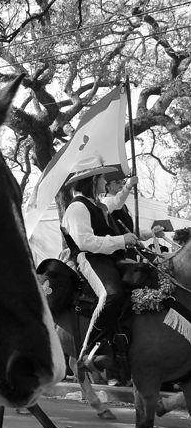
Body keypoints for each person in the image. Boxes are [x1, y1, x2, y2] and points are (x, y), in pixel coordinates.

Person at [60, 157, 161, 374]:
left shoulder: (98, 204)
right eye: (103, 177)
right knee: (112, 295)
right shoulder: (76, 208)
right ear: (93, 179)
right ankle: (89, 351)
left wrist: (128, 186)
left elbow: (116, 202)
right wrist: (121, 240)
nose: (106, 181)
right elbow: (86, 243)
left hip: (110, 258)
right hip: (89, 259)